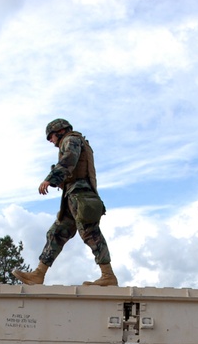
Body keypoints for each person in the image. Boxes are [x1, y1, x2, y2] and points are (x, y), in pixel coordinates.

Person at [12, 118, 118, 286]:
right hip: (73, 196)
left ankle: (108, 275)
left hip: (81, 196)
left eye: (51, 137)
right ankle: (38, 274)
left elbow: (69, 159)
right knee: (56, 233)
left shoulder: (71, 139)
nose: (51, 141)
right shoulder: (74, 140)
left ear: (60, 131)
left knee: (90, 233)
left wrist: (51, 179)